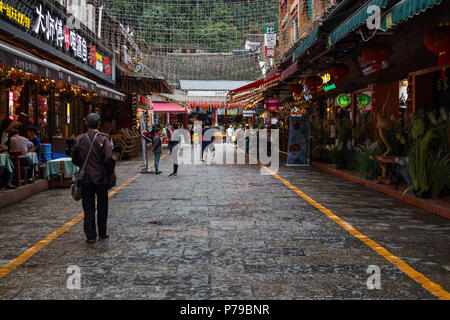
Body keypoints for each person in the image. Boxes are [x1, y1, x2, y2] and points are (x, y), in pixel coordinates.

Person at [72, 113, 116, 243]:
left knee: (88, 206)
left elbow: (74, 159)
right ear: (98, 124)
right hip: (101, 178)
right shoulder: (104, 139)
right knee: (102, 205)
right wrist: (109, 173)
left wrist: (83, 166)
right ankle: (102, 232)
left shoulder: (79, 139)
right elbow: (108, 158)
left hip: (85, 178)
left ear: (86, 124)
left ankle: (90, 236)